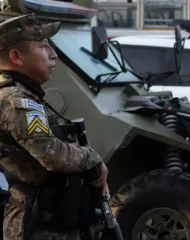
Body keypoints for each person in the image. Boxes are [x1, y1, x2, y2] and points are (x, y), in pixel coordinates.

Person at [0, 14, 109, 239]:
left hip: (51, 219)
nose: (53, 55)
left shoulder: (27, 95)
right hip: (36, 223)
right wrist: (93, 159)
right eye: (43, 46)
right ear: (16, 56)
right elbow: (53, 155)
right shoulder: (15, 101)